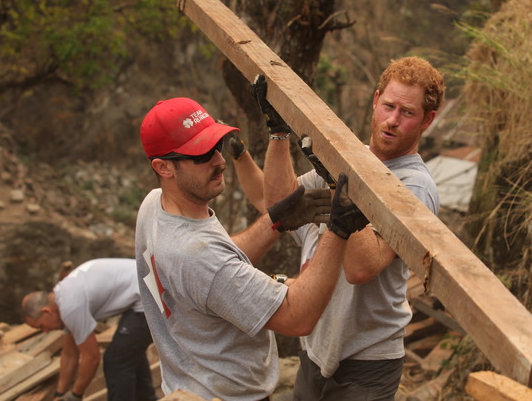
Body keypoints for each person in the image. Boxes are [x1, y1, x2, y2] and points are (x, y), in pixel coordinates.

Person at [135, 97, 369, 401]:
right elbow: (297, 316)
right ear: (163, 167)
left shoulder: (154, 206)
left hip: (188, 385)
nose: (219, 161)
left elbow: (215, 263)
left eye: (216, 146)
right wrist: (338, 230)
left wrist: (274, 222)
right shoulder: (198, 257)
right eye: (202, 154)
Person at [258, 56, 444, 400]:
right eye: (388, 106)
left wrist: (334, 179)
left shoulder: (414, 185)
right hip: (315, 346)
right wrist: (278, 133)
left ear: (427, 120)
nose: (392, 120)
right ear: (375, 101)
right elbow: (279, 206)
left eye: (408, 113)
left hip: (366, 363)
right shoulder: (349, 158)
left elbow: (362, 268)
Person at [22, 258, 156, 401]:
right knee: (127, 353)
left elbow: (92, 358)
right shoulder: (63, 298)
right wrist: (60, 395)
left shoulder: (70, 307)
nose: (45, 331)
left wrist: (76, 394)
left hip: (150, 295)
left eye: (41, 326)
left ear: (46, 312)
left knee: (116, 361)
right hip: (146, 288)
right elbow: (69, 355)